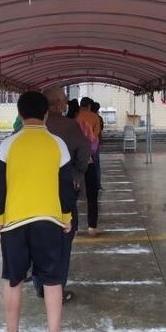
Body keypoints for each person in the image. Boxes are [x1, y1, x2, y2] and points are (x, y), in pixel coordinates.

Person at [0, 91, 75, 332]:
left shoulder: (7, 145)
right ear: (46, 114)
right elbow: (66, 187)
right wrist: (67, 217)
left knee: (13, 280)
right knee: (52, 281)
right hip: (50, 222)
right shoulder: (58, 144)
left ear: (19, 114)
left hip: (14, 224)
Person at [34, 86, 91, 304]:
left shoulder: (27, 127)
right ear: (59, 104)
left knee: (37, 238)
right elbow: (84, 152)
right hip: (62, 191)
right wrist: (77, 173)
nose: (67, 104)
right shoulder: (69, 125)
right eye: (65, 101)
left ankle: (40, 284)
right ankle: (55, 288)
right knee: (63, 238)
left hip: (33, 193)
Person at [77, 97, 102, 235]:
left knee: (72, 195)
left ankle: (73, 227)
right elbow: (95, 137)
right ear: (89, 106)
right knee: (92, 194)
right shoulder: (94, 117)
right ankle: (92, 226)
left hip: (75, 161)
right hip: (89, 158)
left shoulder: (74, 118)